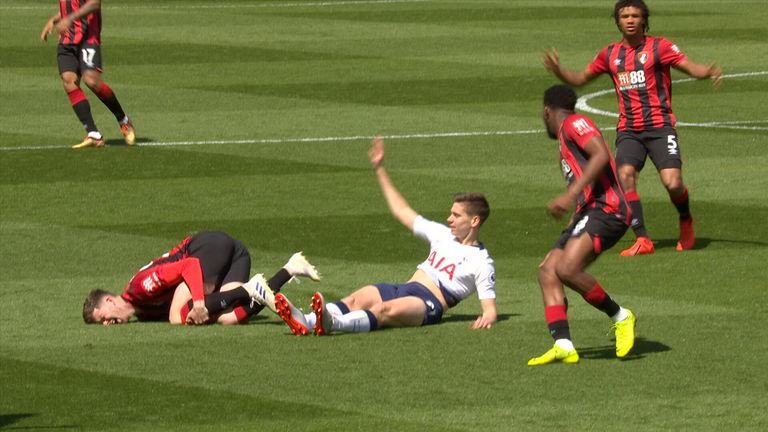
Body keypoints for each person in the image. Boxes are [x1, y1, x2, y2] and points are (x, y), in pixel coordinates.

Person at [542, 0, 722, 255]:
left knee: (673, 183)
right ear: (617, 20)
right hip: (629, 130)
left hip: (660, 127)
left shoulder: (660, 47)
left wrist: (708, 71)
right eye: (624, 15)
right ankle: (643, 239)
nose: (630, 20)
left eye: (635, 15)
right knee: (625, 176)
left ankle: (685, 219)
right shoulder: (610, 54)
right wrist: (559, 71)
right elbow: (580, 79)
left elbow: (690, 67)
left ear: (643, 20)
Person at [273, 136, 497, 336]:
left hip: (427, 303)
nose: (449, 219)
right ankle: (307, 321)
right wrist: (380, 168)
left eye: (456, 215)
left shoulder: (481, 262)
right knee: (356, 299)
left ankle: (332, 324)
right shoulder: (442, 234)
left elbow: (490, 310)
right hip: (401, 287)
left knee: (382, 311)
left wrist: (487, 317)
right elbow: (402, 211)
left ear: (474, 221)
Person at [528, 84, 637, 366]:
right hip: (588, 212)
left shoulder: (575, 123)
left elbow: (601, 154)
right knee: (548, 271)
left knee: (566, 268)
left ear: (546, 112)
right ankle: (563, 344)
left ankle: (620, 316)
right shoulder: (565, 140)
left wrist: (570, 194)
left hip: (608, 209)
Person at [82, 231, 321, 325]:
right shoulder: (142, 312)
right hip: (236, 256)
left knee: (179, 316)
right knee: (228, 318)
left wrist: (198, 302)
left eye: (103, 317)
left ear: (111, 302)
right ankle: (291, 268)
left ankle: (249, 289)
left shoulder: (141, 287)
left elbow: (190, 264)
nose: (107, 323)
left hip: (206, 247)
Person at [41, 0, 136, 149]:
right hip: (67, 40)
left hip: (88, 39)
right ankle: (93, 134)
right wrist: (54, 19)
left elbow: (93, 4)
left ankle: (123, 121)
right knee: (68, 81)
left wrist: (69, 19)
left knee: (91, 81)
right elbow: (71, 6)